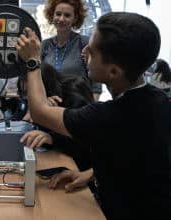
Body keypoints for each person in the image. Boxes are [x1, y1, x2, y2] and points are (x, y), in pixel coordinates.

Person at [16, 12, 170, 220]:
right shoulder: (159, 101)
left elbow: (40, 112)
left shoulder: (109, 115)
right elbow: (138, 161)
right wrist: (91, 173)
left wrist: (33, 61)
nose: (84, 50)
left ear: (114, 72)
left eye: (93, 50)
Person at [41, 0, 101, 100]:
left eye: (67, 15)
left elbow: (96, 85)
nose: (61, 19)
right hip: (50, 109)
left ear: (75, 18)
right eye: (58, 14)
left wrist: (90, 111)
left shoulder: (84, 43)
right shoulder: (45, 45)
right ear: (52, 15)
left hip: (78, 110)